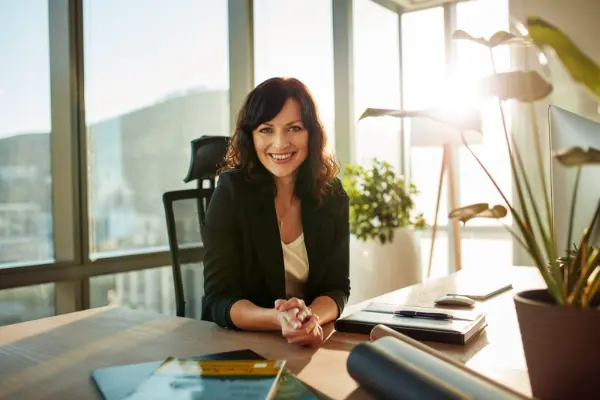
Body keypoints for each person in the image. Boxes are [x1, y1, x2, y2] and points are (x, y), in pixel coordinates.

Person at [201, 77, 350, 346]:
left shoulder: (332, 195)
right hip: (242, 345)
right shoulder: (231, 193)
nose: (280, 144)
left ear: (311, 133)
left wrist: (309, 318)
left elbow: (337, 287)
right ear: (251, 136)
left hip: (308, 343)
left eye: (294, 128)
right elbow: (218, 300)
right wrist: (279, 319)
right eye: (266, 130)